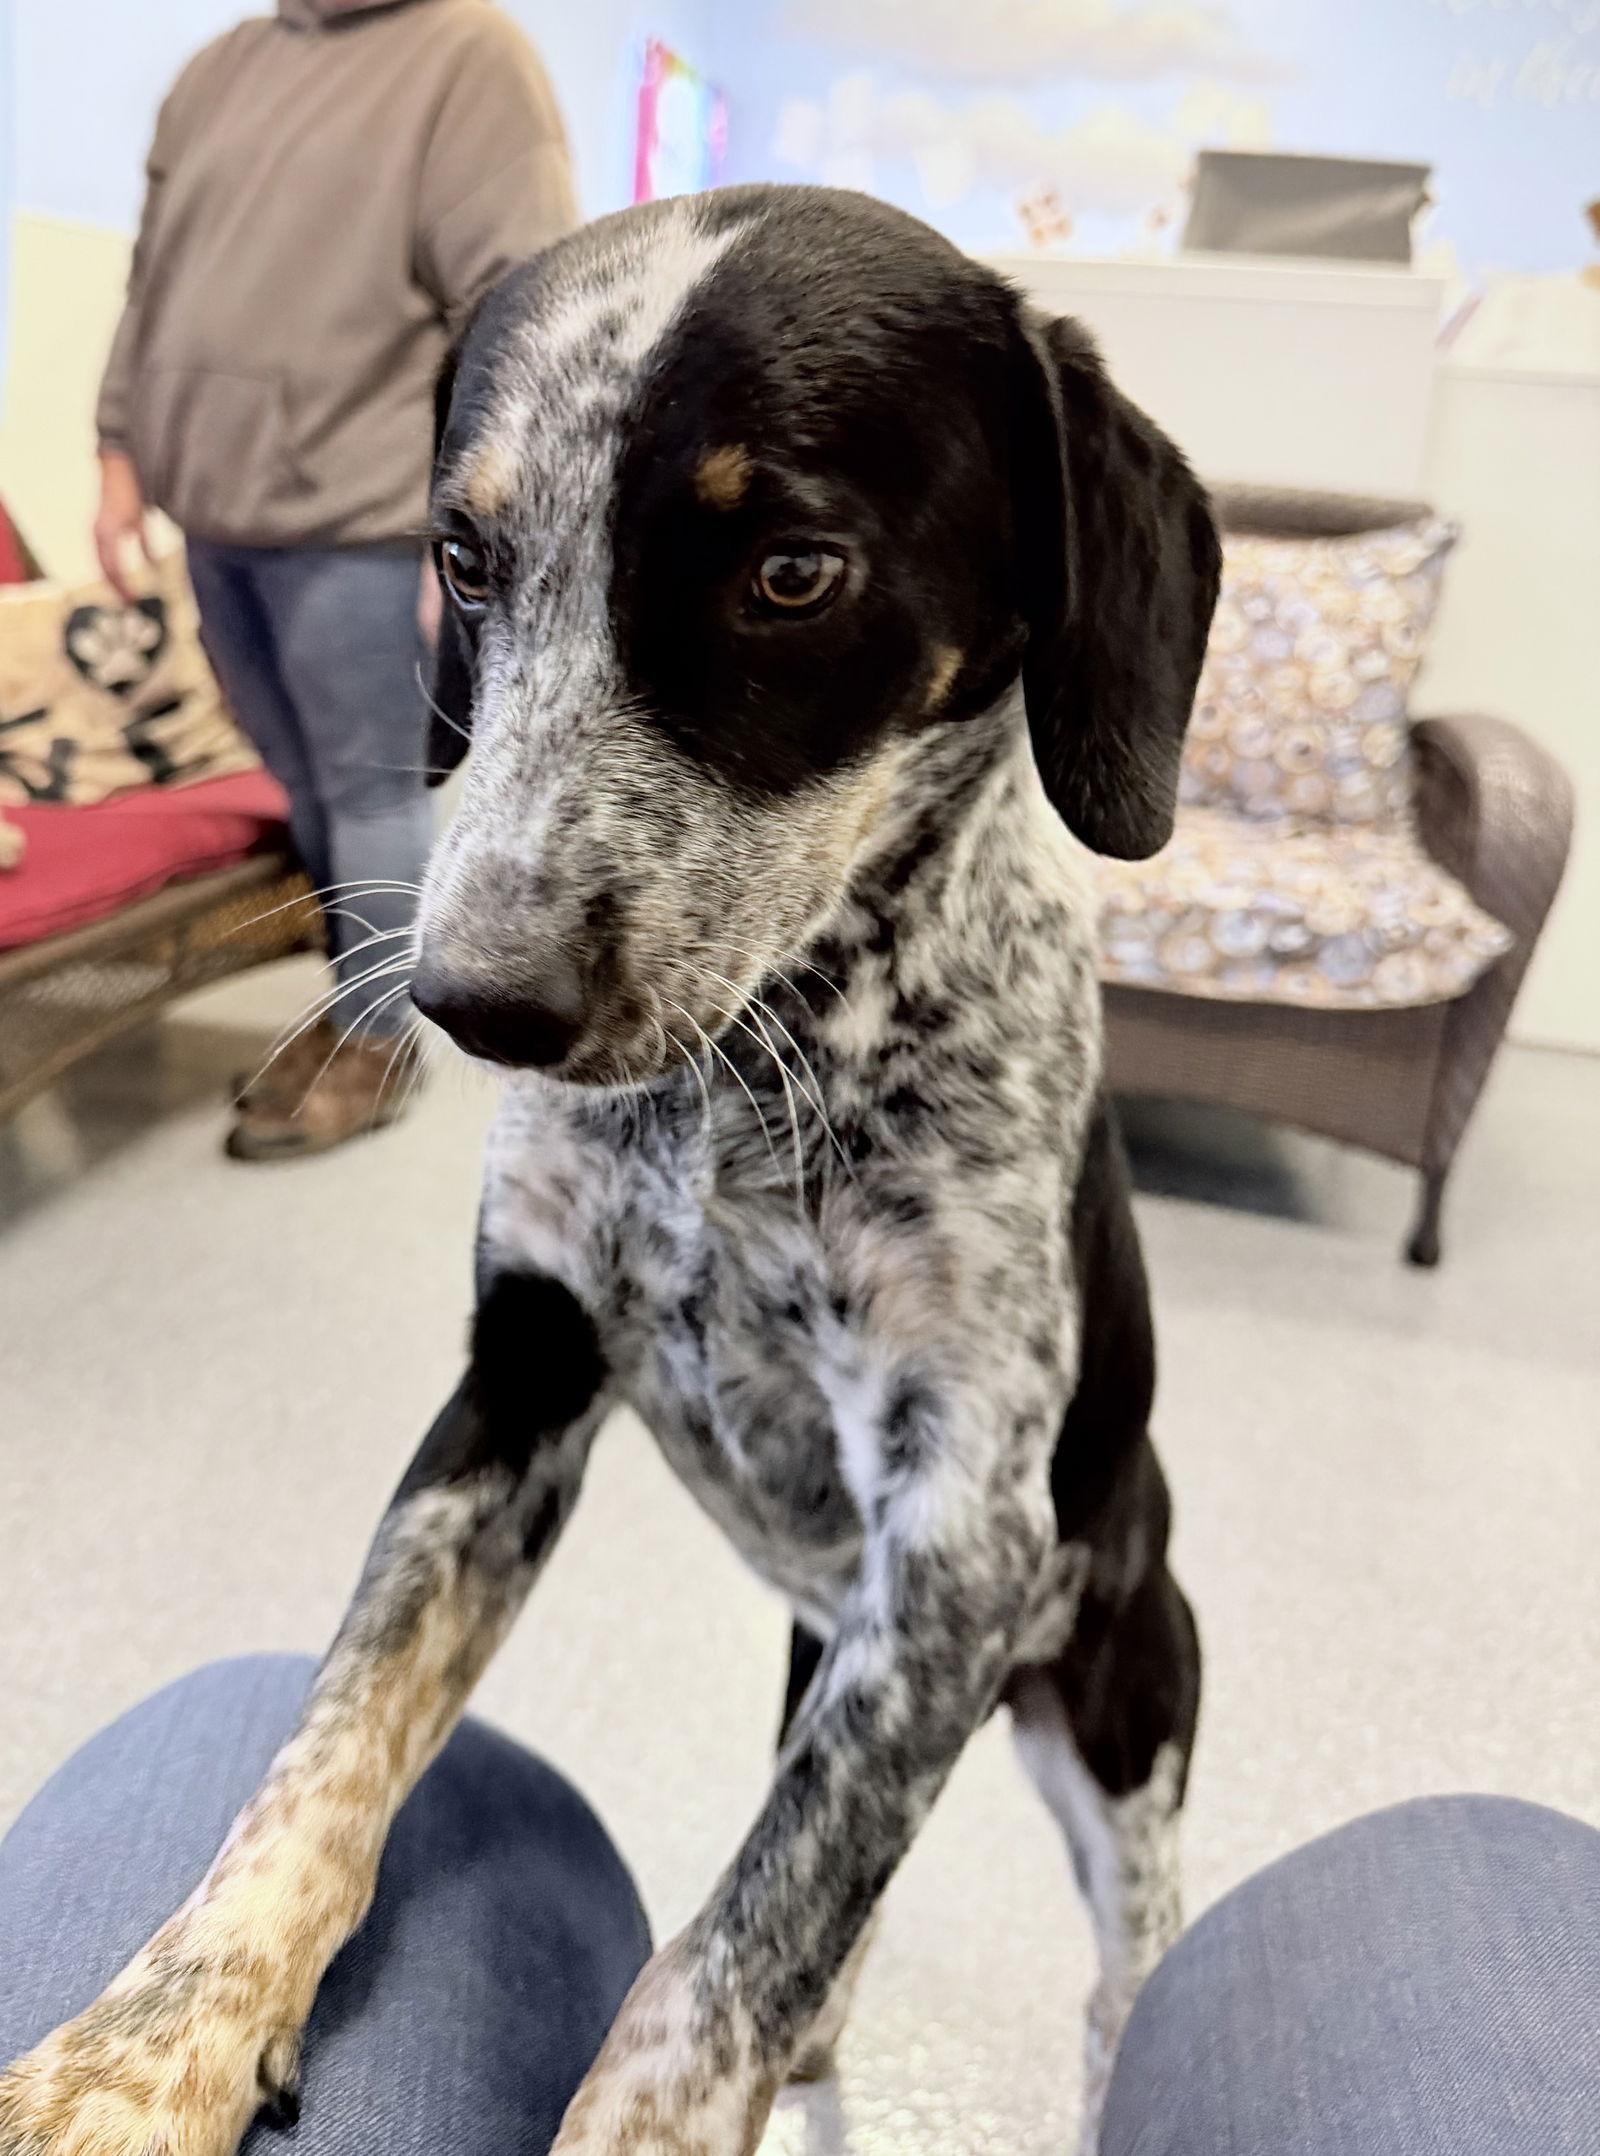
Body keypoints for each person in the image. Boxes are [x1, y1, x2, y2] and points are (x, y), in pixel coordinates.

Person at [2, 1663, 1597, 2154]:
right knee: (1460, 1881)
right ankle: (1133, 2020)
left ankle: (1128, 2006)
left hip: (1072, 1567)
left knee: (249, 1704)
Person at [93, 0, 578, 1159]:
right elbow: (151, 278)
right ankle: (357, 997)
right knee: (304, 783)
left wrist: (470, 539)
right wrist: (117, 450)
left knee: (368, 791)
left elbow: (519, 308)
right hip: (211, 511)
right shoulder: (217, 70)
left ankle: (379, 1042)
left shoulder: (468, 55)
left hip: (357, 517)